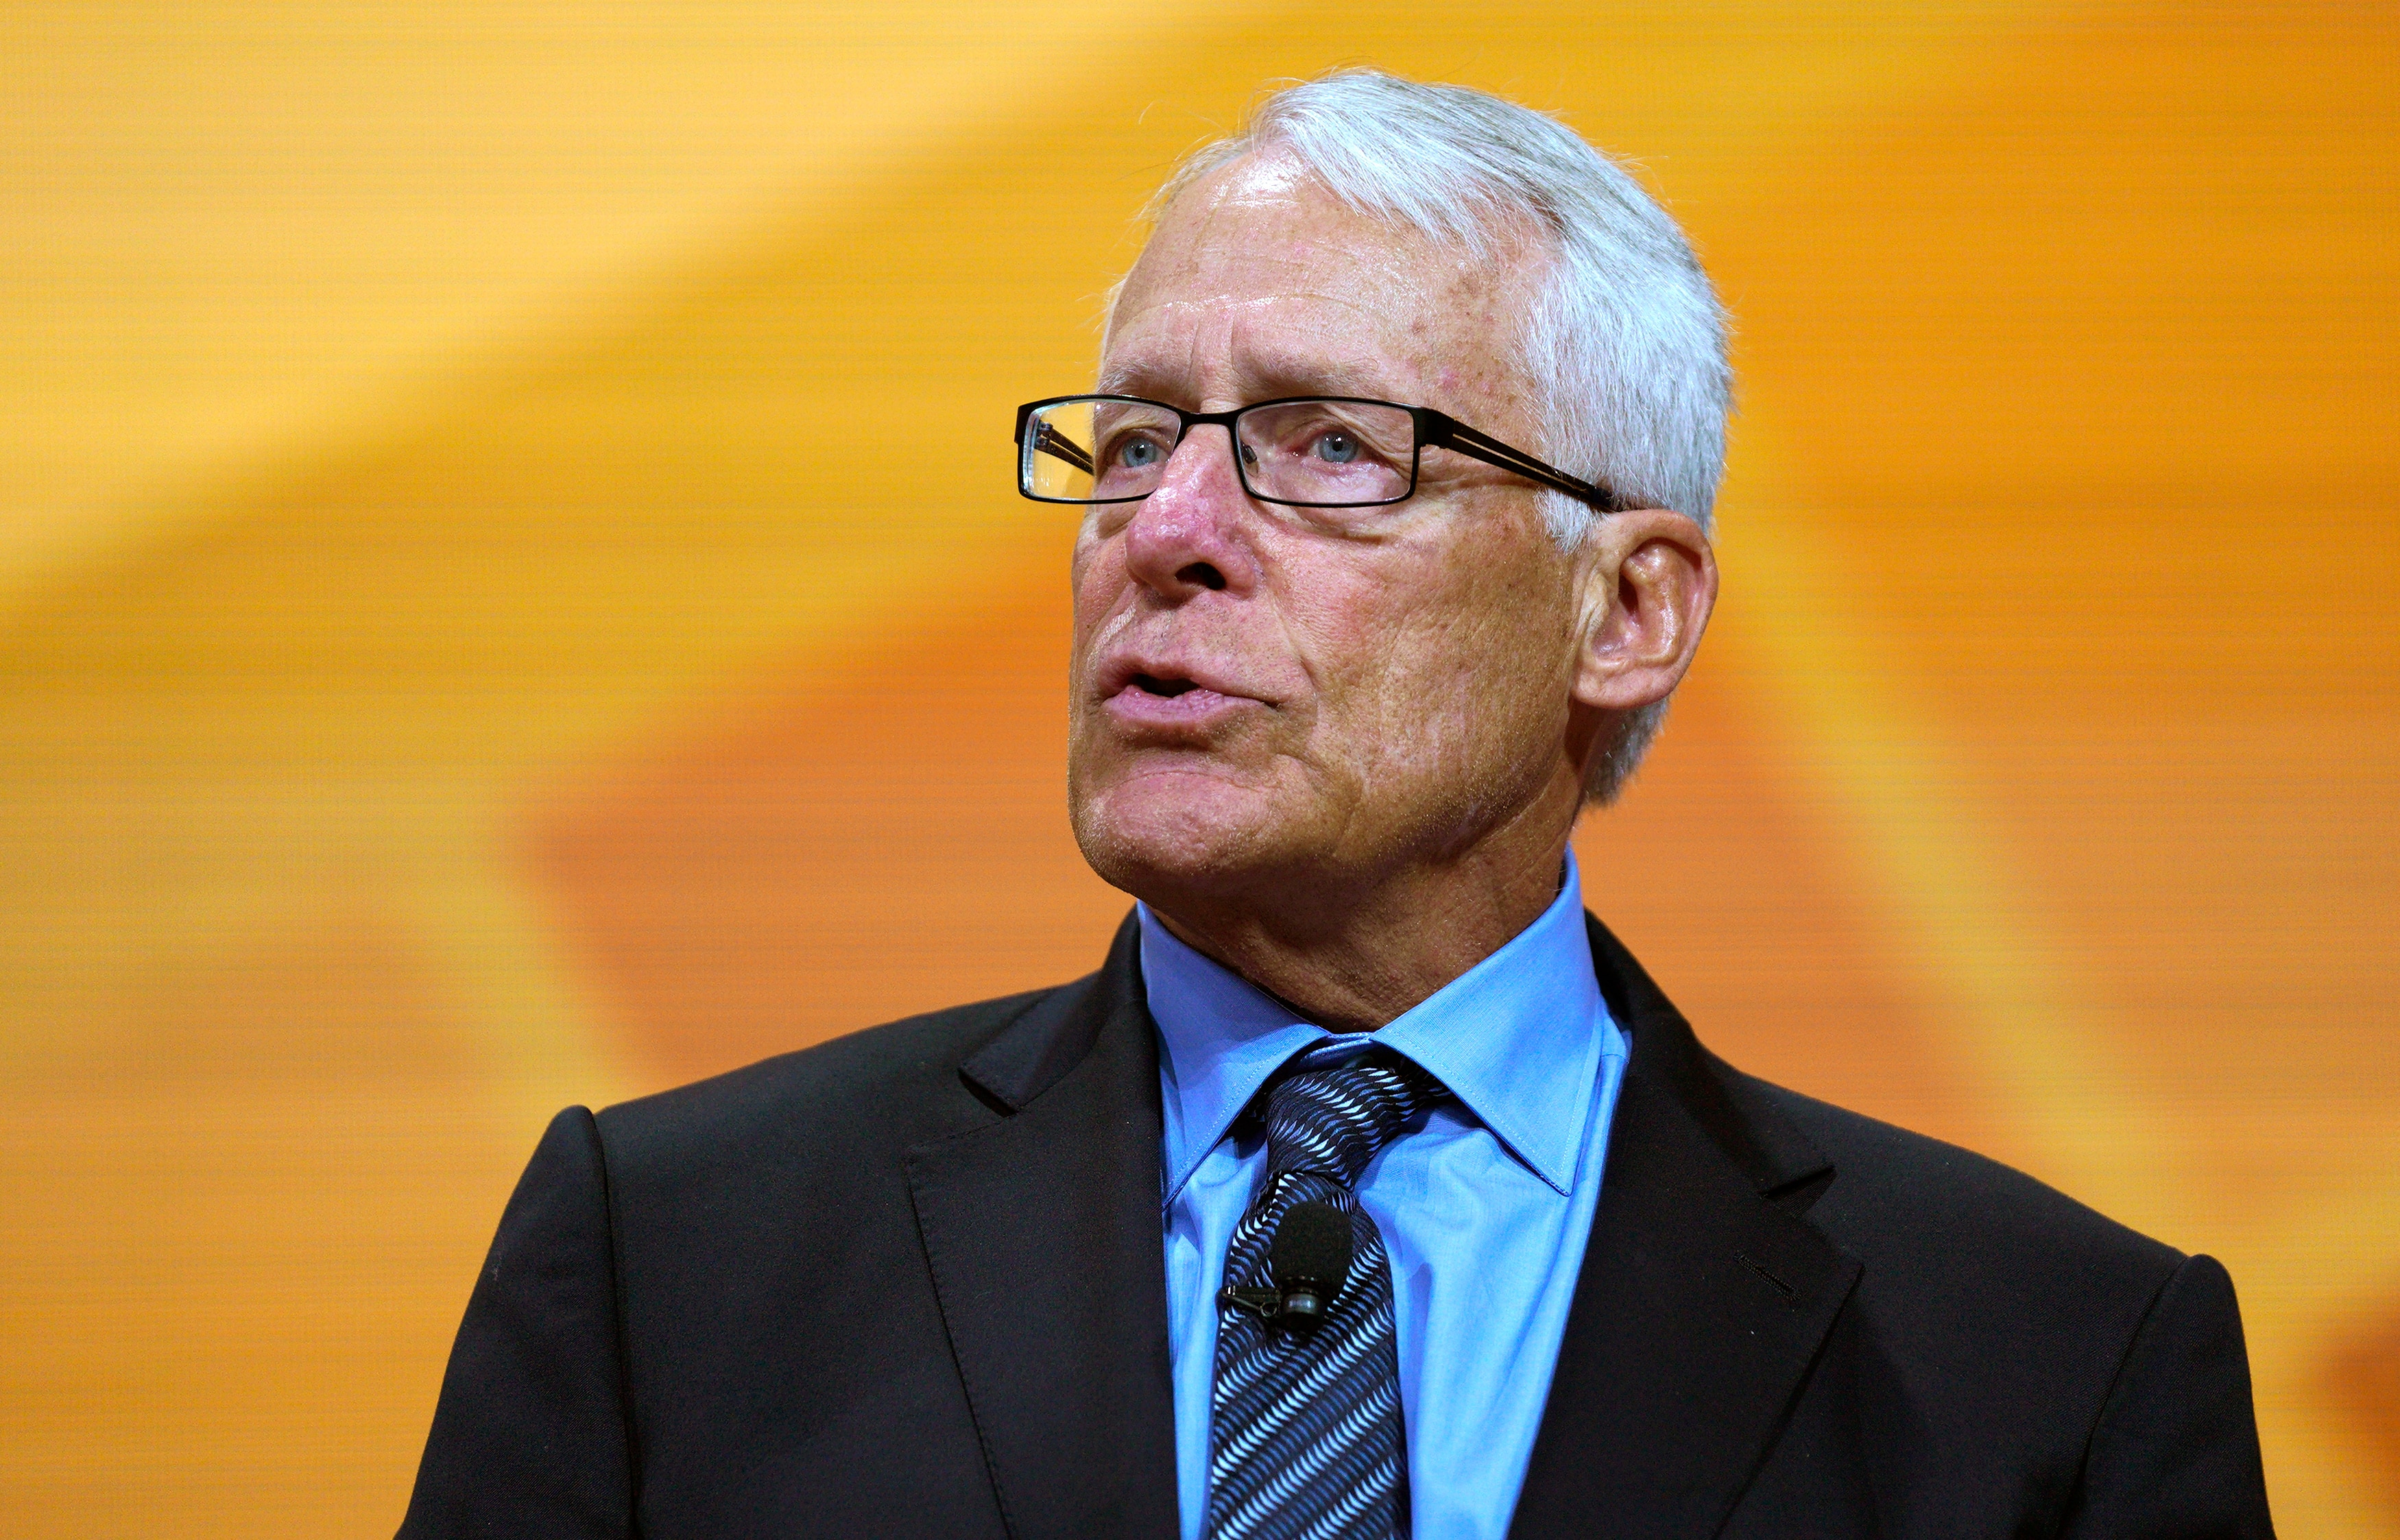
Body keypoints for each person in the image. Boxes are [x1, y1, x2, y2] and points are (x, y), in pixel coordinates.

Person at [398, 71, 2272, 1539]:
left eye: (1328, 449)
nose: (1167, 535)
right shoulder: (673, 1256)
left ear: (1623, 610)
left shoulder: (2049, 1362)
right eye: (1130, 442)